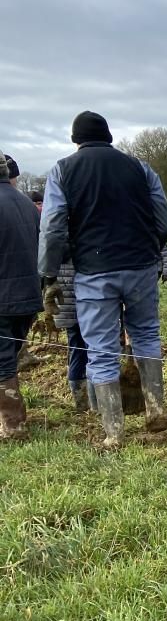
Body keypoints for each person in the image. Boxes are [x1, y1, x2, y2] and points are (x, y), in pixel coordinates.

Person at [38, 112, 167, 448]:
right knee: (145, 333)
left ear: (75, 139)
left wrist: (49, 273)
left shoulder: (62, 170)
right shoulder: (141, 168)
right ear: (110, 136)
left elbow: (53, 226)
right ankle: (155, 408)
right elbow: (163, 219)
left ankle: (114, 432)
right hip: (140, 265)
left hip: (93, 270)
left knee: (100, 348)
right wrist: (151, 248)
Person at [0, 153, 42, 440]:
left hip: (3, 295)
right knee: (9, 356)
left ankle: (13, 425)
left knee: (2, 360)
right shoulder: (26, 203)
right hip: (28, 295)